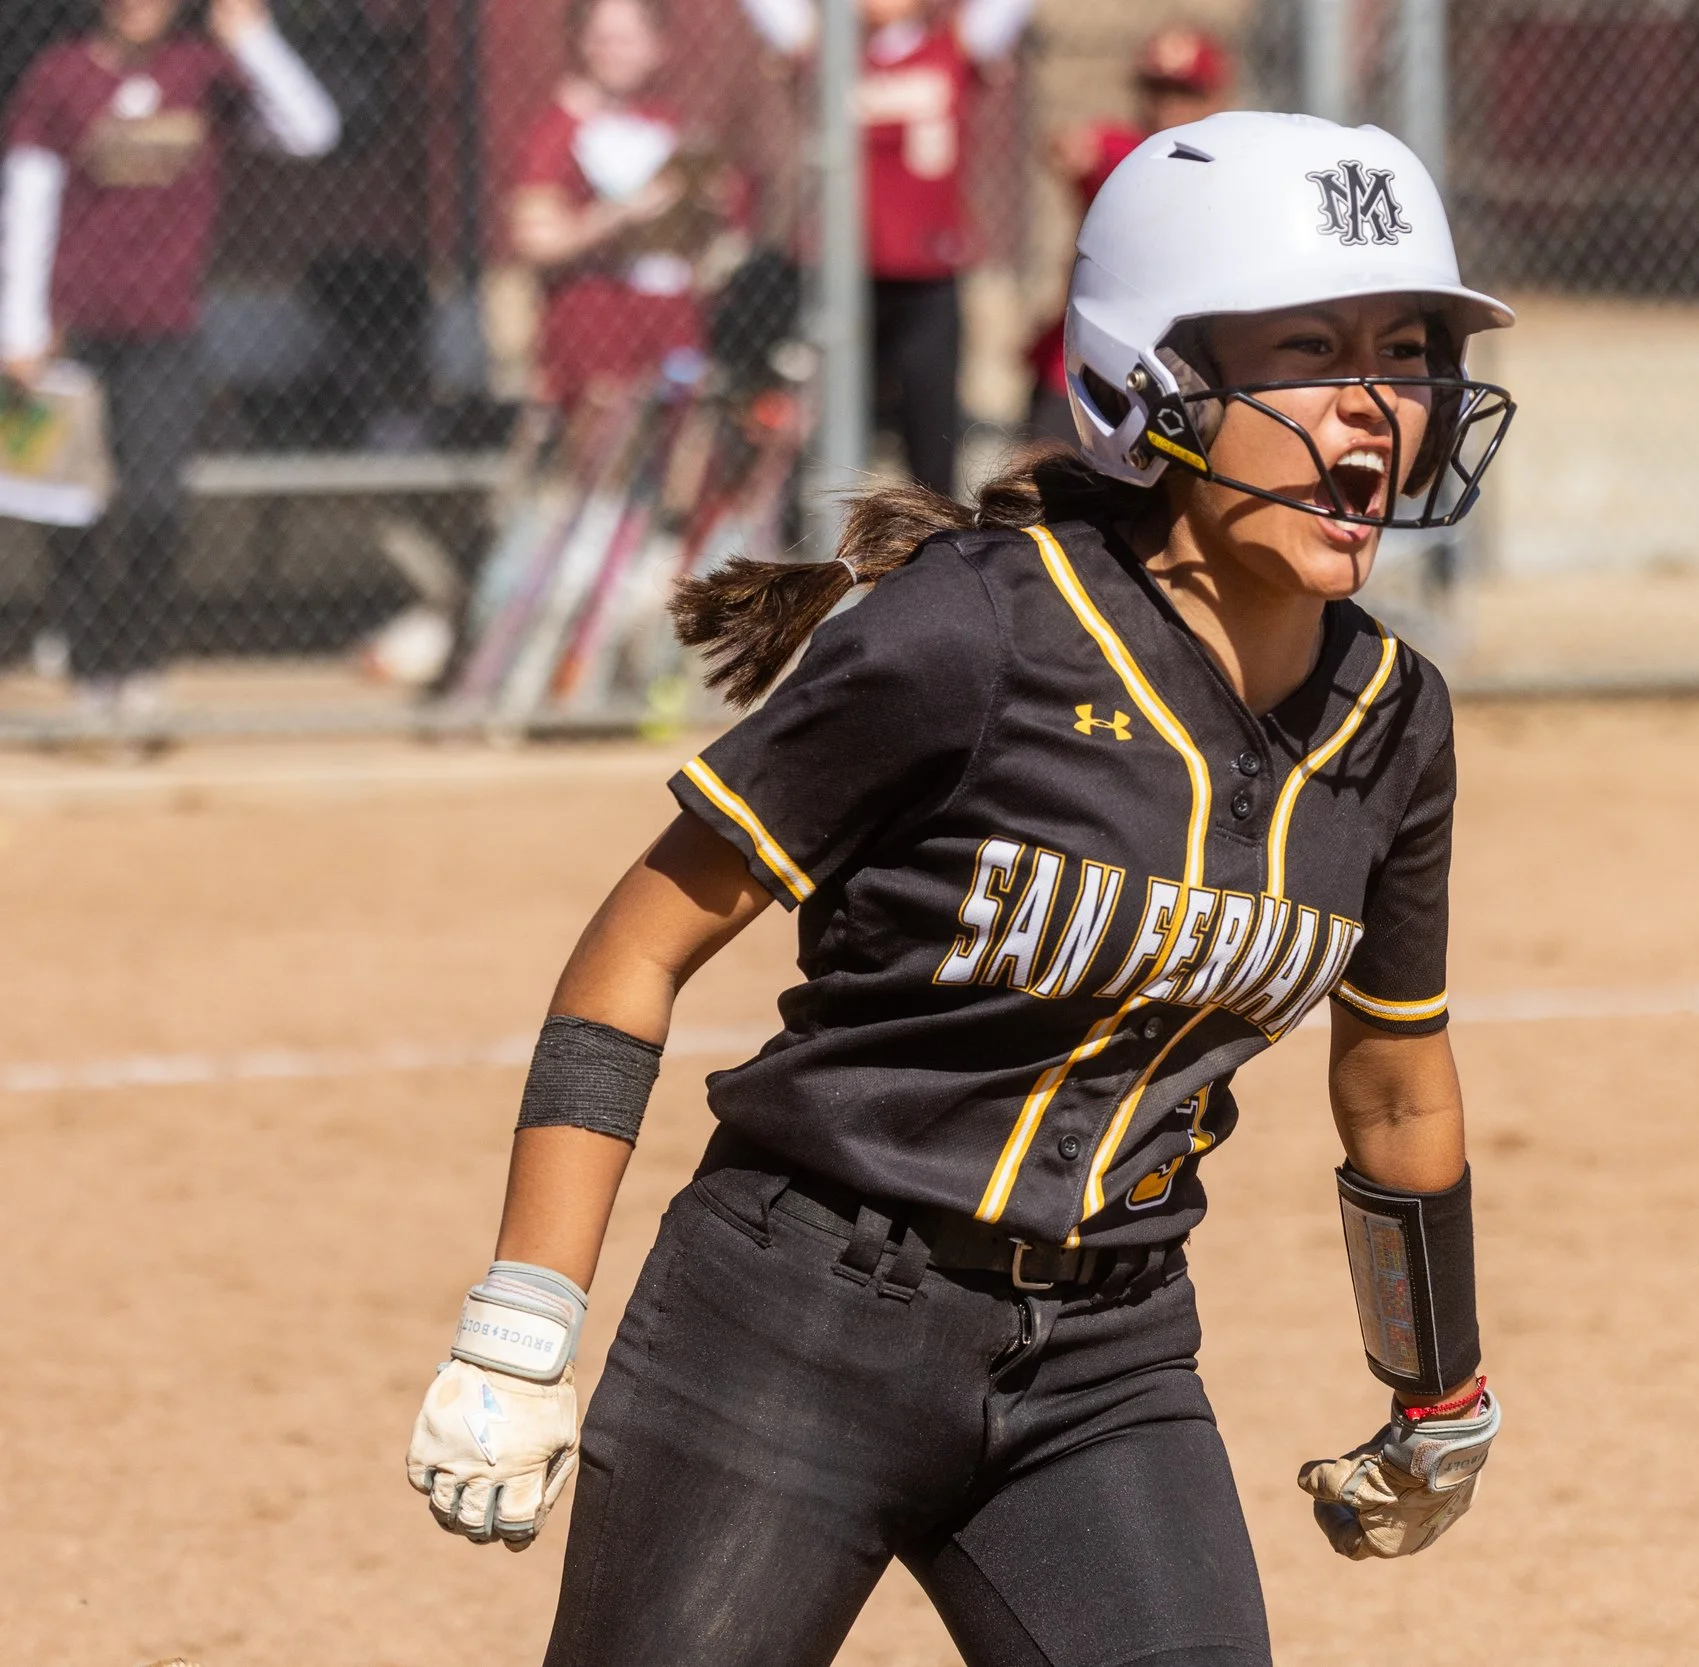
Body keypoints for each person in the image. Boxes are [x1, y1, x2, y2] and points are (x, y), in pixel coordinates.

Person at [403, 110, 1519, 1667]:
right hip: (789, 1324)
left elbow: (1394, 1080)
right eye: (1313, 349)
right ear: (1154, 378)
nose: (1374, 408)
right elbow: (633, 951)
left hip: (1109, 1357)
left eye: (1406, 353)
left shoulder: (1392, 721)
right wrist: (524, 1316)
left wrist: (1438, 1382)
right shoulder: (974, 635)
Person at [0, 0, 336, 722]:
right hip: (70, 333)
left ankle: (143, 661)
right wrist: (17, 326)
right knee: (72, 507)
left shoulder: (202, 70)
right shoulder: (59, 75)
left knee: (156, 503)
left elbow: (312, 131)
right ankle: (91, 668)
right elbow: (29, 197)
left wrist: (253, 38)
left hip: (166, 329)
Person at [509, 0, 748, 414]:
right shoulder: (558, 131)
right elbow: (536, 241)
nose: (614, 51)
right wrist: (620, 214)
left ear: (657, 47)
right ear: (582, 43)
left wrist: (706, 203)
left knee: (683, 440)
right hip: (597, 327)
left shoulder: (664, 123)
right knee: (606, 443)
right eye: (603, 39)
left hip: (672, 328)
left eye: (628, 40)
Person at [1026, 26, 1233, 448]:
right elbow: (1073, 148)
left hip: (1183, 355)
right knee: (1039, 464)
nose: (1167, 105)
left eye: (1184, 92)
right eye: (1156, 90)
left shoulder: (1231, 166)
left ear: (1216, 99)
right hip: (1097, 345)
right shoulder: (1127, 150)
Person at [859, 0, 1032, 493]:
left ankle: (933, 526)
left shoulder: (949, 47)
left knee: (930, 421)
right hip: (850, 272)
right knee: (838, 421)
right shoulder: (835, 55)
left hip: (927, 268)